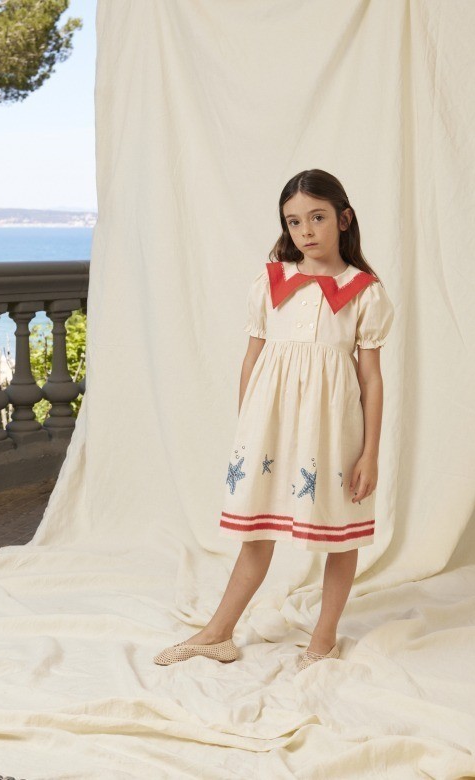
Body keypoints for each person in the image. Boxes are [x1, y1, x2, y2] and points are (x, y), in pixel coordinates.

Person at [154, 169, 395, 671]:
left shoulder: (363, 292)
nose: (305, 230)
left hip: (332, 434)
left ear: (343, 219)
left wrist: (370, 453)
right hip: (270, 429)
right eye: (294, 221)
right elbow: (252, 359)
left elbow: (371, 378)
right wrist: (248, 426)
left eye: (317, 217)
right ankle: (218, 633)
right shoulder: (271, 283)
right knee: (256, 531)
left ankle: (323, 638)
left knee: (340, 533)